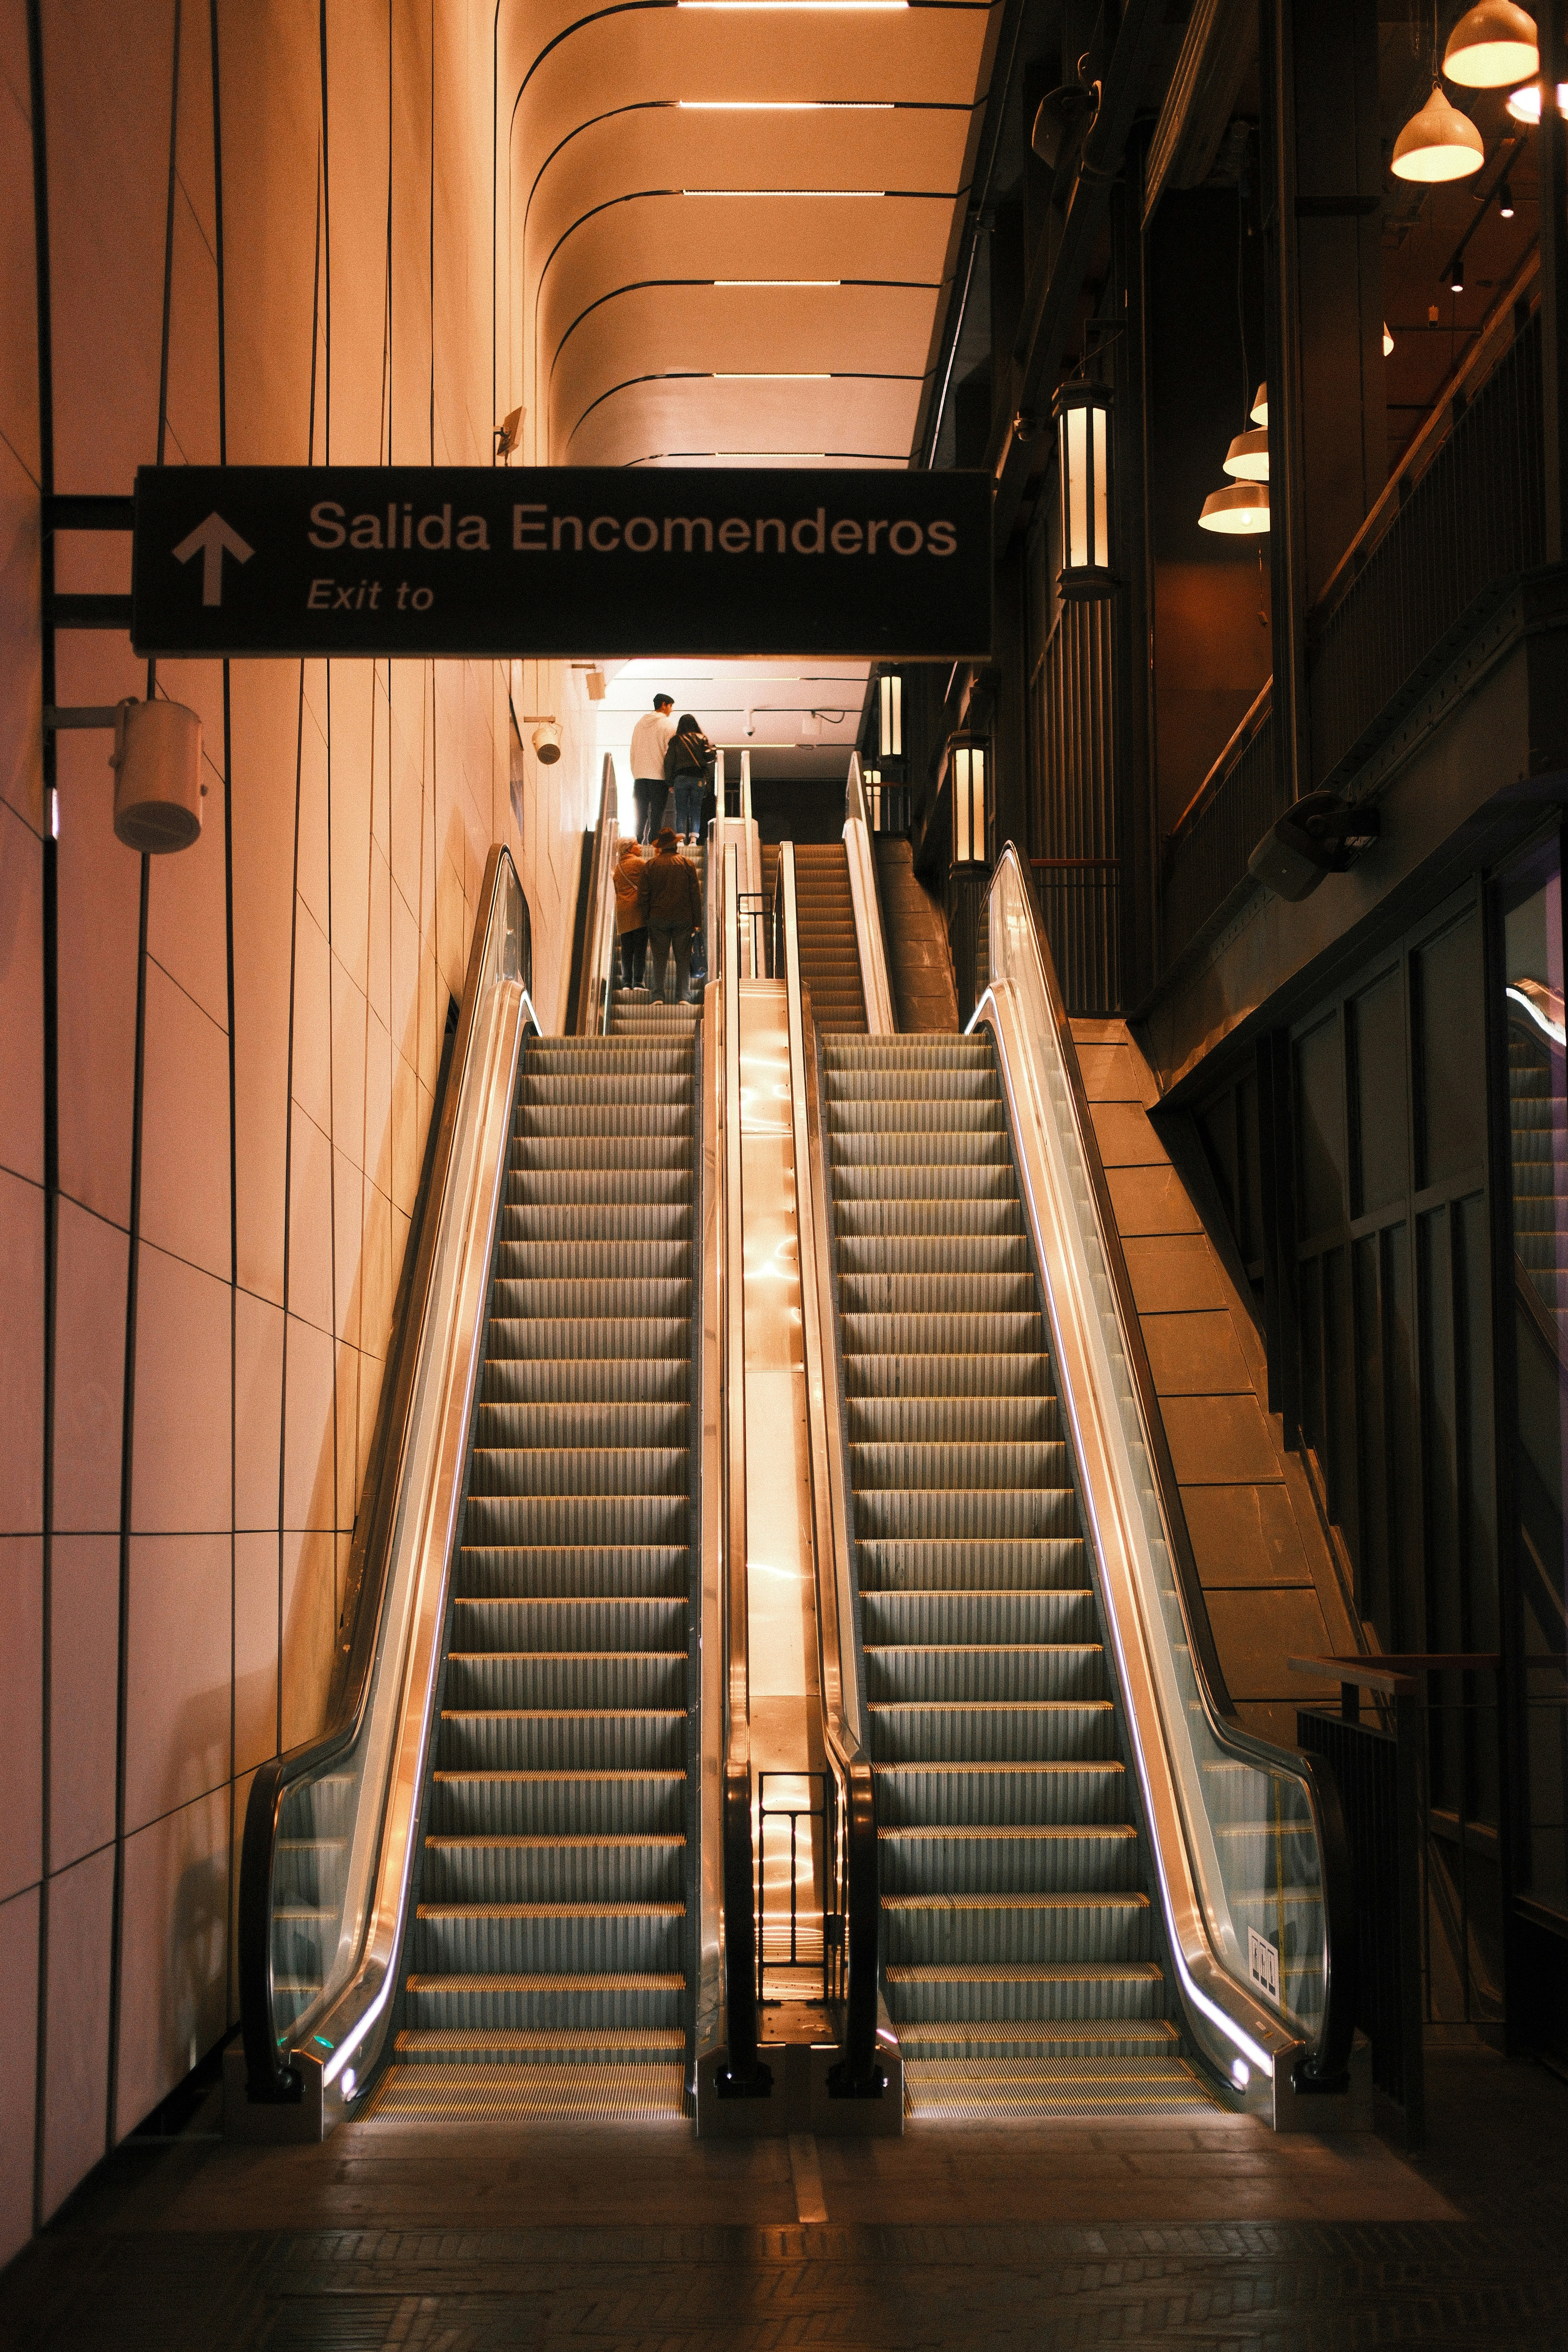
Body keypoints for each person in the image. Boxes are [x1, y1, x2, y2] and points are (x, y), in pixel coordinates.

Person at [638, 827, 703, 1004]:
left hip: (658, 918)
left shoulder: (650, 866)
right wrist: (697, 921)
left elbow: (643, 896)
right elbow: (695, 895)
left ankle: (658, 996)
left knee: (659, 959)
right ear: (675, 846)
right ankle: (683, 996)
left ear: (661, 847)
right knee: (683, 959)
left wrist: (647, 917)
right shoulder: (687, 864)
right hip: (684, 919)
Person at [628, 694, 676, 842]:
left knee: (641, 813)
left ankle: (637, 841)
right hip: (659, 777)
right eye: (671, 706)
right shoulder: (668, 725)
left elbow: (633, 750)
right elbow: (670, 754)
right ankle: (653, 842)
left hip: (640, 777)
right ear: (664, 705)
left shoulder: (640, 724)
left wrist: (636, 772)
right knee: (657, 814)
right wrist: (671, 778)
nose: (672, 710)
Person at [665, 712, 714, 844]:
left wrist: (670, 782)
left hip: (681, 779)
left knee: (681, 810)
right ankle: (693, 841)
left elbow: (669, 762)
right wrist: (712, 747)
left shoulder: (676, 740)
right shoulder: (702, 738)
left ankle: (681, 840)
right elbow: (710, 757)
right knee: (696, 810)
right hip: (698, 779)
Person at [612, 837, 647, 990]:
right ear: (630, 849)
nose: (640, 847)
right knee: (640, 947)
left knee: (627, 949)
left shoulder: (618, 868)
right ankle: (638, 982)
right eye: (637, 845)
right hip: (638, 910)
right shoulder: (640, 863)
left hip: (623, 912)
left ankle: (626, 983)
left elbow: (617, 889)